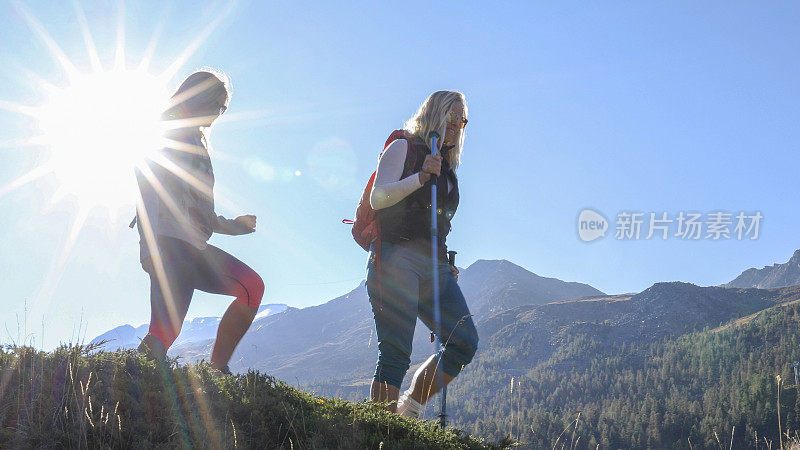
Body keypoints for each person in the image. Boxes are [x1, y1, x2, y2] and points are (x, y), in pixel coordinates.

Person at [134, 70, 264, 373]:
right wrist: (149, 249)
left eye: (223, 108)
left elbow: (196, 211)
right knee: (164, 333)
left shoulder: (194, 140)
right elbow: (147, 193)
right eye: (217, 105)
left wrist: (234, 226)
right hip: (169, 246)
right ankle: (123, 388)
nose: (218, 114)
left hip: (191, 246)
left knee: (251, 286)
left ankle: (217, 370)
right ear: (198, 98)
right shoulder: (166, 135)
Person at [366, 90, 479, 417]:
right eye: (452, 116)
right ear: (435, 114)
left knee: (463, 340)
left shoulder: (447, 169)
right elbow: (378, 198)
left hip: (435, 267)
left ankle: (409, 409)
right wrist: (420, 177)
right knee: (396, 353)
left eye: (463, 119)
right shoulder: (402, 147)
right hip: (394, 257)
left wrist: (443, 261)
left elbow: (436, 222)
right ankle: (381, 434)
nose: (458, 125)